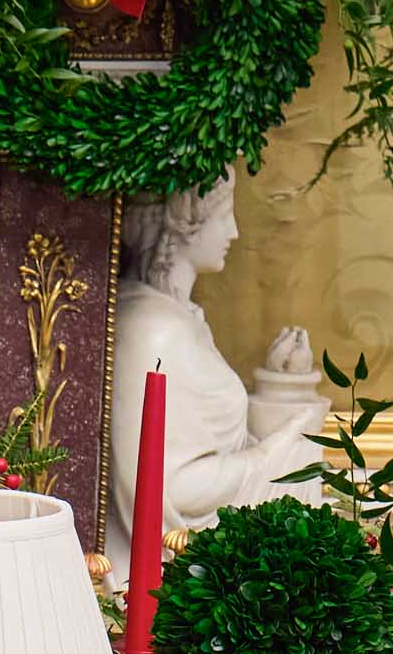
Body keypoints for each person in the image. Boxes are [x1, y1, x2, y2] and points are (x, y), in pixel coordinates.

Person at [107, 174, 329, 584]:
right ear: (182, 225)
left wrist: (285, 387)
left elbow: (216, 442)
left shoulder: (180, 317)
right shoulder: (155, 330)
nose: (235, 232)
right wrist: (277, 454)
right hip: (169, 568)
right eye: (224, 216)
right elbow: (170, 492)